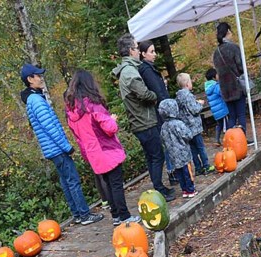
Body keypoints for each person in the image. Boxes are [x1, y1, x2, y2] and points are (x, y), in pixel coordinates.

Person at [19, 64, 104, 226]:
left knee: (66, 181)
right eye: (37, 76)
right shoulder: (36, 100)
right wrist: (66, 146)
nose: (41, 78)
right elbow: (50, 127)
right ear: (30, 79)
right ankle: (84, 215)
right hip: (56, 148)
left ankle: (77, 214)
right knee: (73, 180)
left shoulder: (33, 98)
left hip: (51, 149)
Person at [64, 70, 139, 227]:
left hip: (93, 154)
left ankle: (116, 215)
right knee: (116, 184)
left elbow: (78, 137)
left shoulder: (71, 112)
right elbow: (109, 128)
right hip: (107, 150)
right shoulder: (92, 106)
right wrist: (112, 119)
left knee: (108, 185)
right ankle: (124, 216)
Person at [112, 34, 176, 202]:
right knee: (157, 156)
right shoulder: (129, 72)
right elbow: (143, 93)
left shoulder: (130, 69)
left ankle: (158, 188)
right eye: (136, 47)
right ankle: (159, 190)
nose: (139, 51)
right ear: (131, 51)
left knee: (151, 156)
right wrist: (155, 95)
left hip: (141, 121)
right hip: (144, 121)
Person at [138, 40, 175, 185]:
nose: (155, 54)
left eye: (154, 51)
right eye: (151, 52)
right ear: (143, 54)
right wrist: (167, 107)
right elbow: (157, 92)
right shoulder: (146, 70)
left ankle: (173, 171)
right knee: (166, 141)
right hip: (160, 111)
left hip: (161, 109)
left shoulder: (150, 68)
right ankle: (172, 172)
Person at [212, 22, 247, 132]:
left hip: (225, 89)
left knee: (231, 117)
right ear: (227, 32)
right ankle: (242, 139)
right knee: (241, 114)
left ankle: (232, 140)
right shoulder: (234, 48)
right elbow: (241, 67)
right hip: (237, 87)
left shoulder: (216, 52)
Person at [159, 99, 196, 198]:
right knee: (187, 172)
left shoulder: (163, 127)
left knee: (179, 173)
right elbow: (187, 135)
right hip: (183, 153)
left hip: (173, 155)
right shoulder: (178, 124)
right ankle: (190, 189)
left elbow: (162, 140)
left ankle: (184, 190)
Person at [175, 73, 210, 175]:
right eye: (190, 81)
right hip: (194, 127)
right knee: (200, 147)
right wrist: (200, 104)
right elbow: (194, 110)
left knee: (193, 149)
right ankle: (206, 165)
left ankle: (198, 168)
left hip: (186, 128)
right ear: (186, 84)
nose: (191, 83)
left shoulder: (178, 97)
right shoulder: (188, 96)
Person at [204, 68, 229, 145]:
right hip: (222, 109)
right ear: (213, 77)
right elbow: (222, 94)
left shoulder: (208, 87)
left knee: (219, 125)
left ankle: (217, 140)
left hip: (215, 111)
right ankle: (228, 139)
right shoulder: (215, 86)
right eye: (217, 74)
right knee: (226, 124)